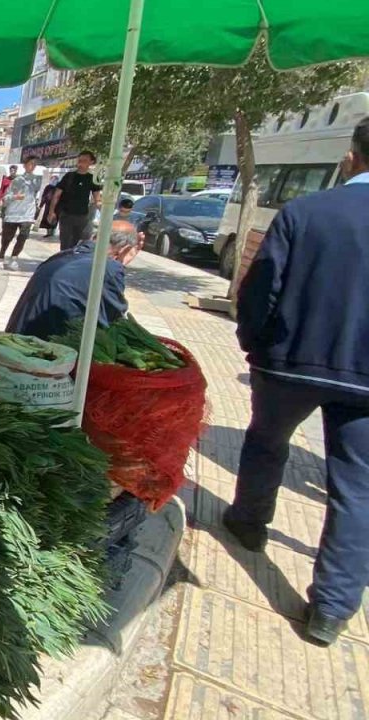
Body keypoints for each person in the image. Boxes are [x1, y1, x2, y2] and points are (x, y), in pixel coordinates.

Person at [224, 116, 369, 647]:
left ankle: (248, 522)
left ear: (350, 158)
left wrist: (252, 340)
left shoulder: (305, 212)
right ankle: (330, 611)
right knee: (357, 490)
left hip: (289, 362)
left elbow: (260, 287)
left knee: (266, 442)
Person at [4, 221, 141, 340]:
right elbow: (115, 320)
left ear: (94, 237)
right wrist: (121, 264)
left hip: (18, 335)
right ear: (126, 249)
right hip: (49, 349)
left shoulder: (62, 256)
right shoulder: (108, 267)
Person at [48, 151, 103, 251]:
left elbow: (97, 199)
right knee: (65, 243)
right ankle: (63, 262)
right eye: (80, 161)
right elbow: (56, 195)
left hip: (82, 216)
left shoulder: (92, 178)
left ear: (91, 162)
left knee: (75, 244)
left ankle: (70, 262)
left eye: (85, 161)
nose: (81, 163)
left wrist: (105, 214)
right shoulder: (69, 176)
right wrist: (51, 212)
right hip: (66, 215)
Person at [0, 156, 41, 271]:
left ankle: (14, 258)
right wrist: (16, 196)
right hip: (14, 213)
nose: (32, 166)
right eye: (30, 163)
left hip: (28, 213)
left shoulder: (37, 180)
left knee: (23, 237)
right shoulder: (17, 180)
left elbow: (38, 191)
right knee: (7, 237)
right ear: (25, 165)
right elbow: (7, 196)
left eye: (34, 164)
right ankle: (1, 257)